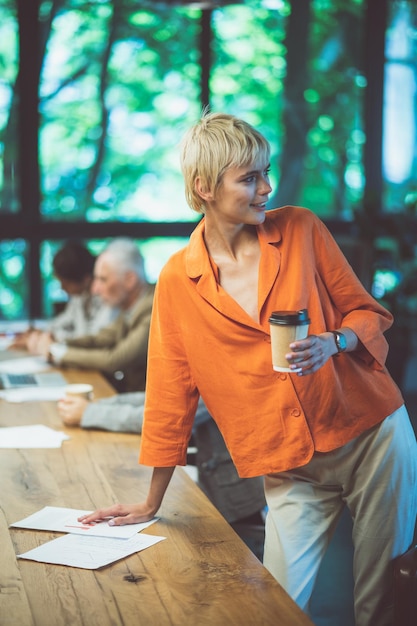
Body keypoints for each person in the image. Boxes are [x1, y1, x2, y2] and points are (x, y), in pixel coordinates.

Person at [78, 112, 417, 625]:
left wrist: (334, 341)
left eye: (266, 172)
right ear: (204, 187)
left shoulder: (301, 228)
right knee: (274, 607)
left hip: (372, 436)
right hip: (288, 465)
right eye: (249, 177)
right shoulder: (178, 280)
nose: (266, 187)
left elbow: (369, 312)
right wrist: (150, 502)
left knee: (380, 602)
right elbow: (171, 393)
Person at [57, 392, 266, 528]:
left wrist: (91, 411)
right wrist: (95, 405)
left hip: (238, 498)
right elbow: (160, 398)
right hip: (210, 480)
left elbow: (172, 417)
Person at [27, 238, 155, 392]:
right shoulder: (130, 307)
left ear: (129, 280)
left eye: (103, 279)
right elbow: (100, 339)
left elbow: (114, 359)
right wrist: (57, 343)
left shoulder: (153, 308)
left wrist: (56, 352)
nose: (95, 289)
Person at [10, 241, 117, 348]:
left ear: (86, 279)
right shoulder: (79, 296)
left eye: (65, 283)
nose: (62, 288)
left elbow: (90, 339)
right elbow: (65, 320)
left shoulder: (109, 298)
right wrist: (42, 332)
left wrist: (52, 338)